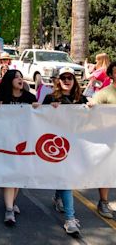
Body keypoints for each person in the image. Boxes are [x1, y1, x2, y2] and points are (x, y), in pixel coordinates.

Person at [42, 67, 87, 235]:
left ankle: (58, 197)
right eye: (63, 77)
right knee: (66, 179)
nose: (67, 80)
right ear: (58, 81)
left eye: (70, 77)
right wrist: (48, 109)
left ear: (75, 81)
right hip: (56, 145)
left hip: (75, 145)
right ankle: (70, 219)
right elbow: (38, 118)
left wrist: (91, 108)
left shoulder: (81, 99)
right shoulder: (50, 98)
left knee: (64, 177)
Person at [0, 69, 38, 226]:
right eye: (16, 77)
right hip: (5, 142)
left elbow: (40, 117)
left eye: (21, 77)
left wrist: (39, 108)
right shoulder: (0, 97)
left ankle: (11, 202)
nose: (20, 79)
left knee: (17, 174)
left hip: (24, 141)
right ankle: (9, 209)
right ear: (9, 80)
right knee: (9, 175)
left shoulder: (30, 97)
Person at [90, 61, 116, 219]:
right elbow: (92, 107)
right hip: (109, 139)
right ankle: (103, 202)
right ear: (112, 74)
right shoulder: (105, 93)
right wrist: (92, 105)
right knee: (107, 170)